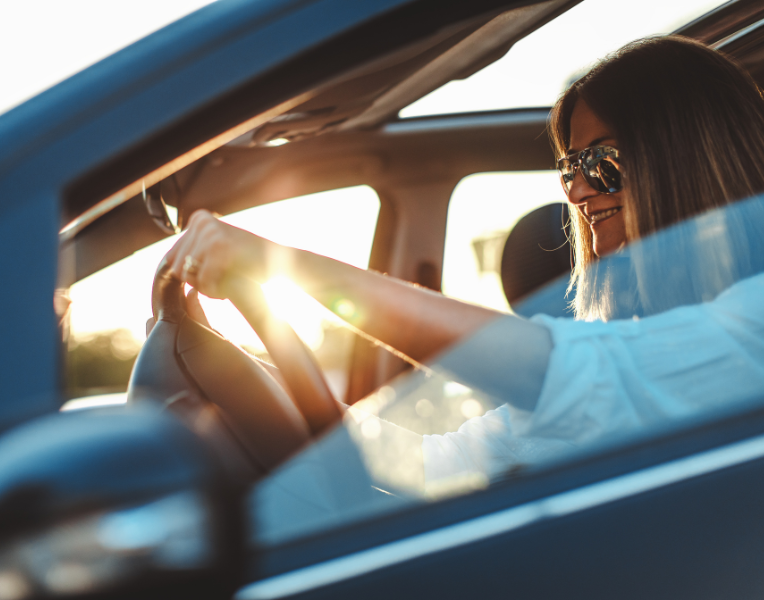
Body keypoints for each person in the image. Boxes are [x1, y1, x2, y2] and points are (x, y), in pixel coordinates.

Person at [162, 36, 764, 488]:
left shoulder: (752, 321)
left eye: (603, 163)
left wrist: (283, 264)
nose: (579, 192)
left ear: (684, 155)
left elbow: (557, 372)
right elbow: (433, 465)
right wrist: (265, 395)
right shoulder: (624, 334)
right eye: (570, 169)